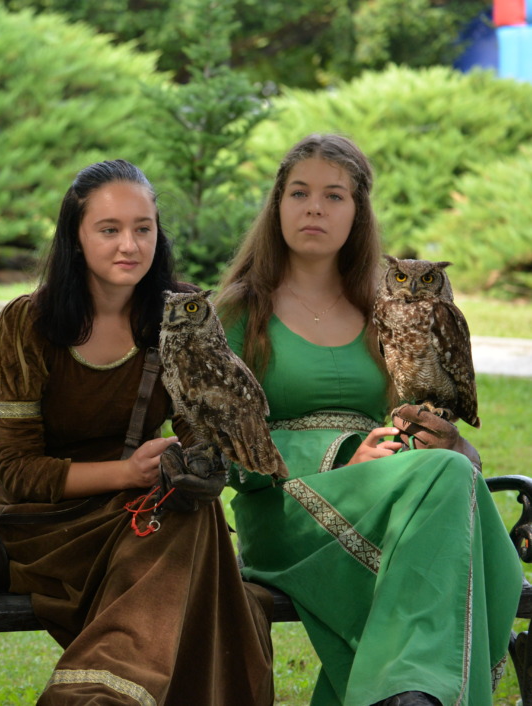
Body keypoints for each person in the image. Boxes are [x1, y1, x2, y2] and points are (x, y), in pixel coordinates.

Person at [215, 133, 522, 706]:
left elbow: (417, 415)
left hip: (395, 500)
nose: (314, 208)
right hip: (286, 512)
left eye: (334, 196)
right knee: (450, 500)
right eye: (299, 193)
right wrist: (338, 456)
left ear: (357, 212)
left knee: (451, 473)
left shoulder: (384, 310)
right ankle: (414, 694)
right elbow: (219, 452)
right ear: (277, 205)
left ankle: (406, 696)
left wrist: (446, 443)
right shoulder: (239, 312)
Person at [0, 159, 275, 705]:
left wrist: (200, 467)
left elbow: (196, 431)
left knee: (189, 512)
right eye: (109, 229)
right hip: (49, 527)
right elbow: (17, 471)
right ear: (75, 238)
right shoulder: (28, 324)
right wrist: (128, 472)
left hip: (143, 515)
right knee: (186, 539)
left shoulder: (180, 313)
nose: (130, 245)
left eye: (143, 228)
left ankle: (101, 697)